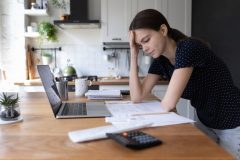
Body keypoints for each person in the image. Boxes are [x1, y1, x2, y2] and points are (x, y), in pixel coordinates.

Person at [129, 9, 240, 159]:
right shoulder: (161, 60)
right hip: (205, 121)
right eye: (140, 45)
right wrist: (133, 53)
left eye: (146, 40)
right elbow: (137, 97)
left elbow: (168, 104)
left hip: (233, 122)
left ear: (163, 30)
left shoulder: (188, 48)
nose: (145, 49)